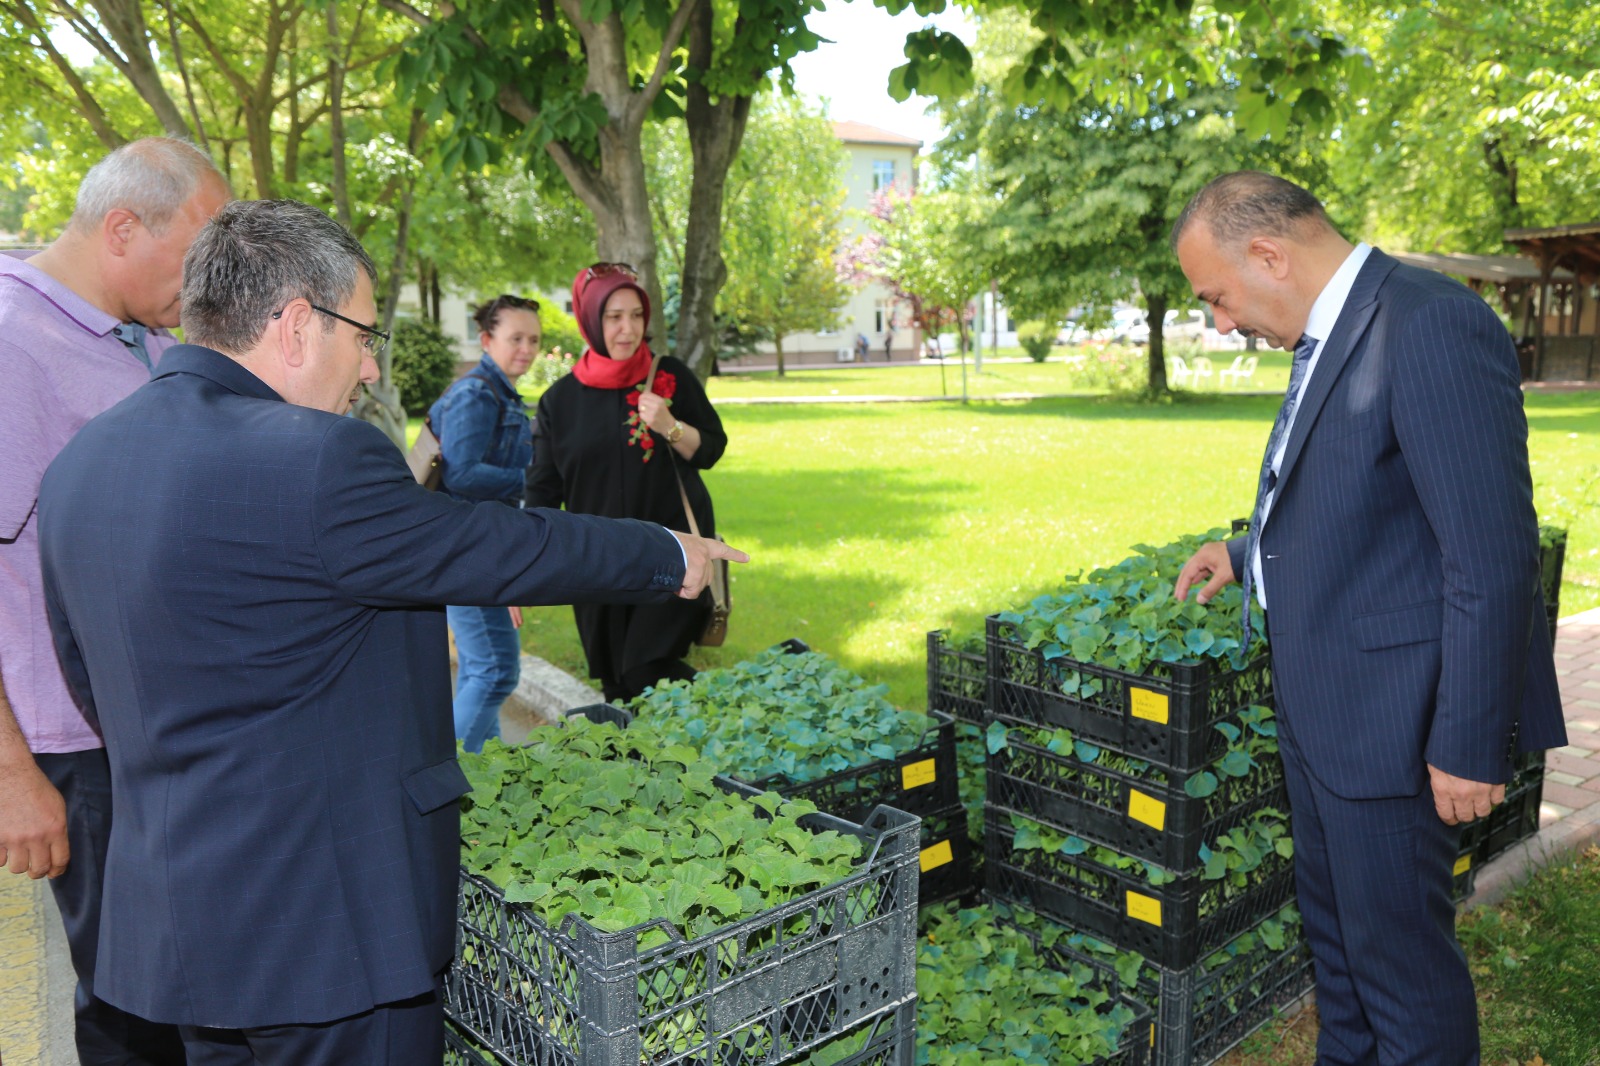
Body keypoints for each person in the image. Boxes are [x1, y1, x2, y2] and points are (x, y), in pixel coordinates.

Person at [35, 199, 745, 1065]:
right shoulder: (317, 459)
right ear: (298, 325)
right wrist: (664, 551)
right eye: (365, 334)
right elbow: (495, 546)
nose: (370, 367)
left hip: (177, 932)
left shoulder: (81, 462)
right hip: (330, 940)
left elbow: (89, 681)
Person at [1169, 171, 1566, 1066]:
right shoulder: (1338, 326)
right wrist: (1246, 553)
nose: (1222, 323)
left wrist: (1468, 742)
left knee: (1400, 973)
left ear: (1269, 255)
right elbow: (1363, 493)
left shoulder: (1428, 324)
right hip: (1329, 713)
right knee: (1342, 955)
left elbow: (1491, 555)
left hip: (1398, 725)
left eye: (1218, 298)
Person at [0, 137, 232, 1066]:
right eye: (199, 252)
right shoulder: (13, 343)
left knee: (187, 988)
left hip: (158, 732)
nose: (211, 281)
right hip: (79, 749)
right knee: (129, 1007)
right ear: (124, 228)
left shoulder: (154, 336)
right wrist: (11, 775)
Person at [525, 263, 727, 702]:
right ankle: (644, 750)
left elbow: (711, 449)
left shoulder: (670, 376)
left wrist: (670, 425)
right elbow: (543, 490)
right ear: (590, 321)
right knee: (615, 680)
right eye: (614, 317)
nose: (628, 329)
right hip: (597, 558)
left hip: (672, 549)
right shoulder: (559, 401)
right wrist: (519, 563)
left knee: (647, 666)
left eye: (636, 315)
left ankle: (739, 710)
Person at [430, 294, 542, 751]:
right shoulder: (477, 394)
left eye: (534, 340)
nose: (527, 349)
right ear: (486, 340)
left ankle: (487, 774)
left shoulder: (499, 392)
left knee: (484, 668)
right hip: (467, 551)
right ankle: (452, 772)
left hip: (480, 548)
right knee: (495, 670)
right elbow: (461, 473)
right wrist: (534, 480)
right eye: (516, 338)